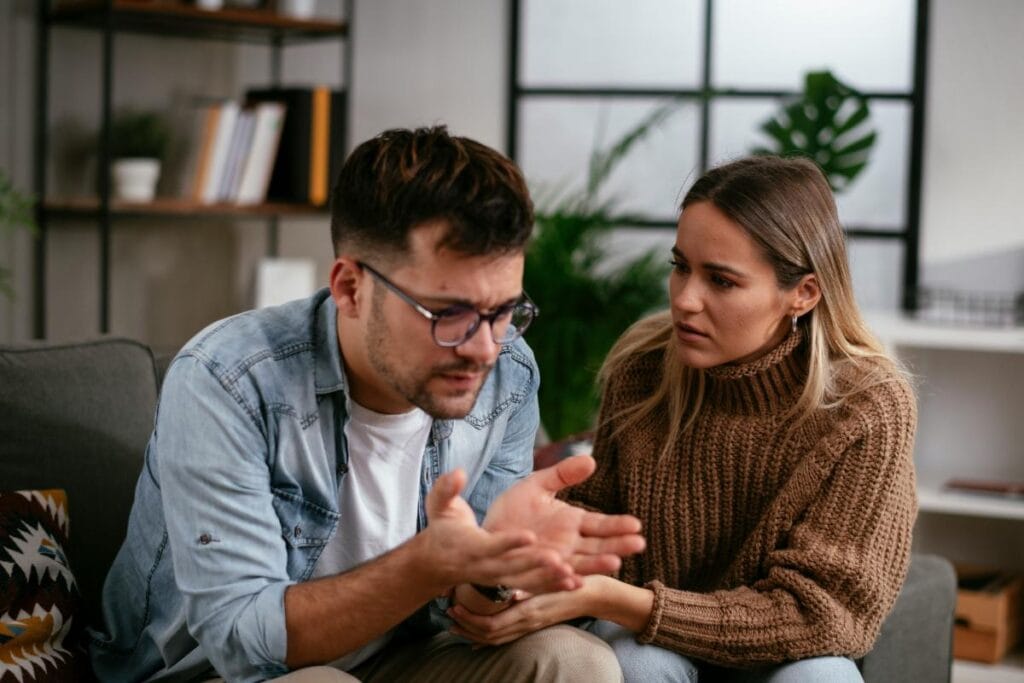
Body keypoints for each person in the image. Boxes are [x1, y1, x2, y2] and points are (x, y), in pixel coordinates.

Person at [88, 126, 645, 682]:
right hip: (218, 674)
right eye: (448, 313)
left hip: (399, 655)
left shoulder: (509, 372)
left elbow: (464, 604)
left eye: (504, 311)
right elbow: (240, 641)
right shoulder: (228, 381)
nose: (484, 347)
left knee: (577, 663)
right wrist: (430, 565)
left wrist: (496, 572)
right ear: (351, 287)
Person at [448, 155, 918, 682]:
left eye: (721, 281)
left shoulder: (867, 405)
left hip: (780, 657)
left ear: (802, 294)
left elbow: (822, 616)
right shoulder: (643, 370)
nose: (685, 300)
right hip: (648, 645)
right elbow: (594, 539)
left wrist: (625, 603)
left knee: (819, 678)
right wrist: (511, 573)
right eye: (680, 266)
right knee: (635, 660)